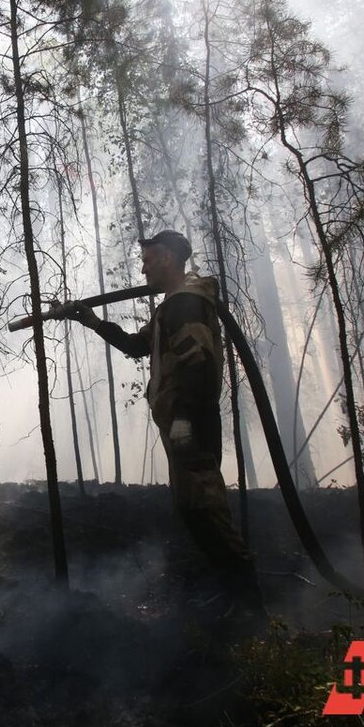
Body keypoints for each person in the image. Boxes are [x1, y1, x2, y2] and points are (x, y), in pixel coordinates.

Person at [66, 229, 265, 627]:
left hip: (189, 423)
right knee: (192, 509)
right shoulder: (170, 308)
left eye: (149, 260)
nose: (143, 269)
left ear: (169, 260)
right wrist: (91, 322)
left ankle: (251, 609)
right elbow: (136, 346)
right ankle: (234, 596)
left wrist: (184, 424)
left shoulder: (186, 305)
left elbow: (200, 366)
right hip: (181, 423)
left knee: (205, 507)